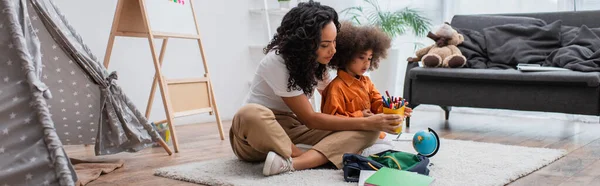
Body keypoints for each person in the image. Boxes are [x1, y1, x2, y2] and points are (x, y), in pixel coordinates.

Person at [229, 0, 408, 177]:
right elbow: (311, 119)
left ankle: (291, 162)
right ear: (304, 44)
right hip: (256, 135)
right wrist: (366, 121)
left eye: (334, 42)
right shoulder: (276, 61)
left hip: (294, 129)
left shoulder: (316, 63)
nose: (333, 50)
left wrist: (376, 116)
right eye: (324, 45)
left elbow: (335, 96)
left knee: (369, 130)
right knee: (249, 113)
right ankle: (306, 159)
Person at [320, 21, 413, 128]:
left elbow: (377, 102)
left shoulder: (366, 82)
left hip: (367, 131)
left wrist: (392, 110)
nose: (367, 63)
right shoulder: (336, 88)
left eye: (369, 58)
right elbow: (331, 120)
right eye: (361, 57)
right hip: (347, 134)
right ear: (346, 56)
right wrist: (360, 115)